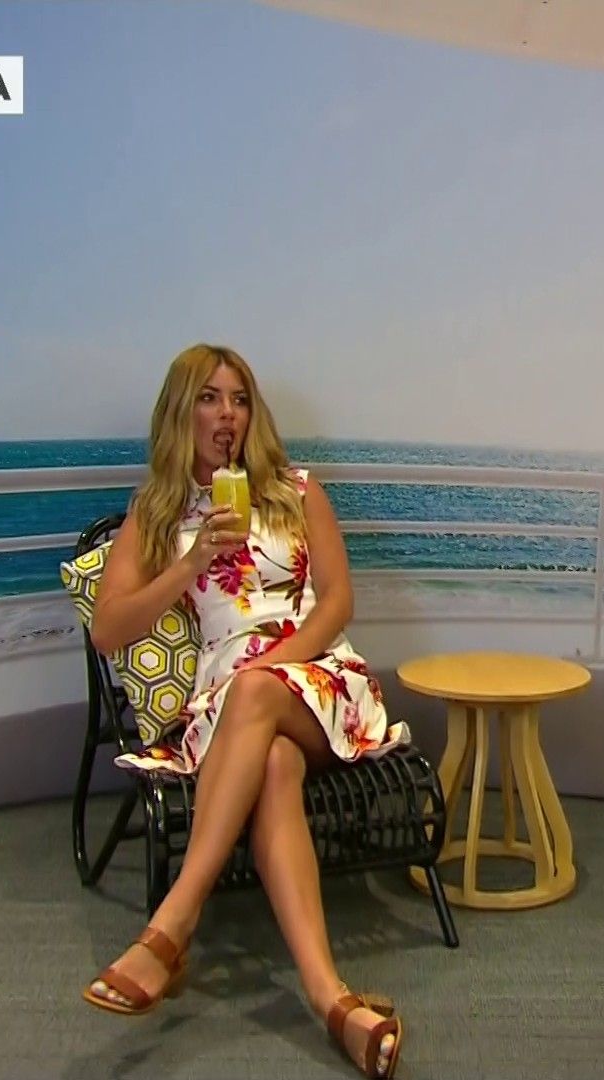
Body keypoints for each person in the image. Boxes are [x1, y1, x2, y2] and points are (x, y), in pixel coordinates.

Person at [80, 343, 410, 1079]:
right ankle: (333, 1001)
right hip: (231, 704)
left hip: (319, 676)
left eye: (238, 399)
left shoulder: (296, 490)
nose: (227, 414)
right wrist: (191, 562)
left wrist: (277, 665)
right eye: (209, 398)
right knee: (275, 766)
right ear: (181, 413)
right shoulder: (158, 514)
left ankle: (173, 923)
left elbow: (338, 601)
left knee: (258, 696)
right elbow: (108, 630)